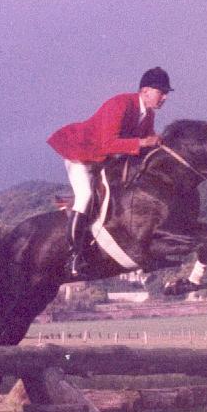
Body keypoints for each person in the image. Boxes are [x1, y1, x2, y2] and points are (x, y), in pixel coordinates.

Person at [47, 67, 173, 276]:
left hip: (103, 160)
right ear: (145, 91)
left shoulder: (147, 115)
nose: (165, 97)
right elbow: (108, 144)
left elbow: (146, 143)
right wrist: (143, 142)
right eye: (162, 92)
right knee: (85, 195)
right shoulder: (120, 104)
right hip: (81, 154)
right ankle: (74, 256)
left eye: (166, 93)